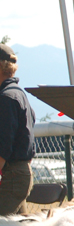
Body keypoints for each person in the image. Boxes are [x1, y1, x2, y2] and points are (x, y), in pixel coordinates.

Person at [0, 44, 36, 216]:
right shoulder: (18, 93)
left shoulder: (6, 98)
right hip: (19, 174)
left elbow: (4, 144)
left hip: (10, 176)